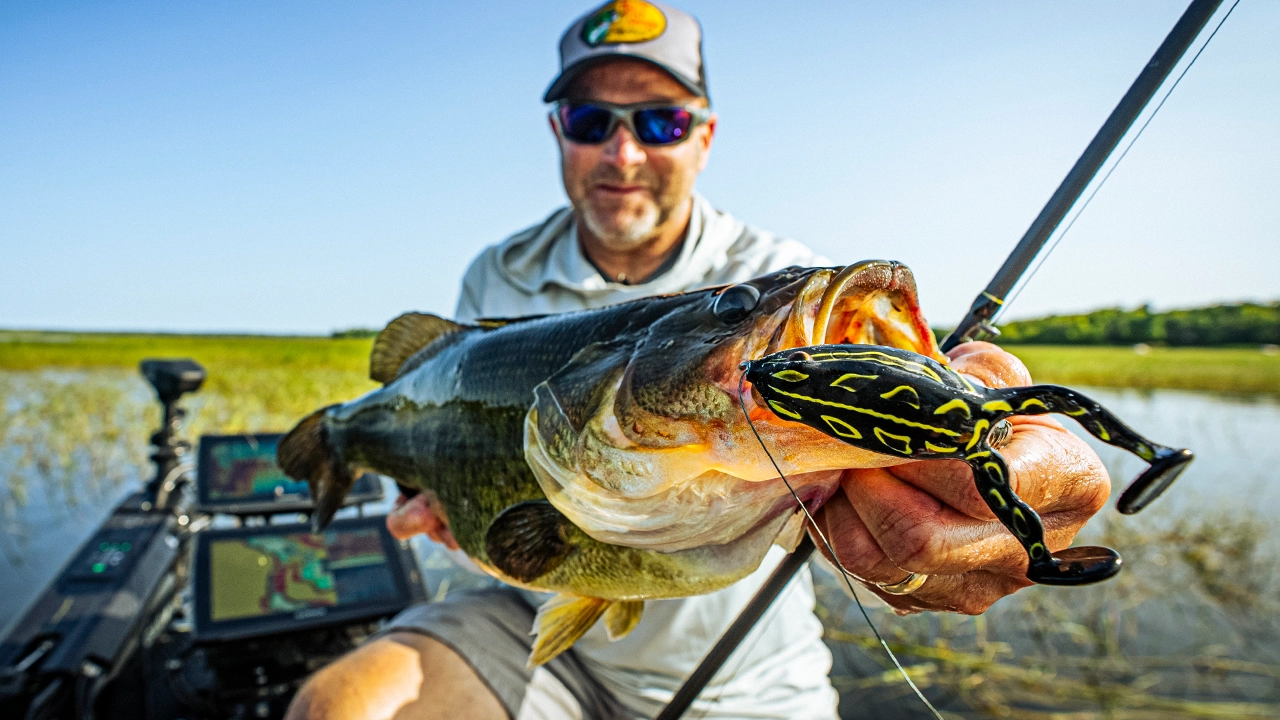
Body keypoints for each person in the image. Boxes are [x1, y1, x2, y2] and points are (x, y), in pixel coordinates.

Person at [286, 3, 1111, 719]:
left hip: (740, 674)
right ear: (558, 134)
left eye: (660, 122)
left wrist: (975, 486)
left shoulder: (776, 265)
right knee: (337, 707)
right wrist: (433, 499)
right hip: (512, 614)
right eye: (590, 121)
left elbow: (888, 457)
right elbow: (472, 480)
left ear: (705, 137)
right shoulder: (494, 271)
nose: (623, 153)